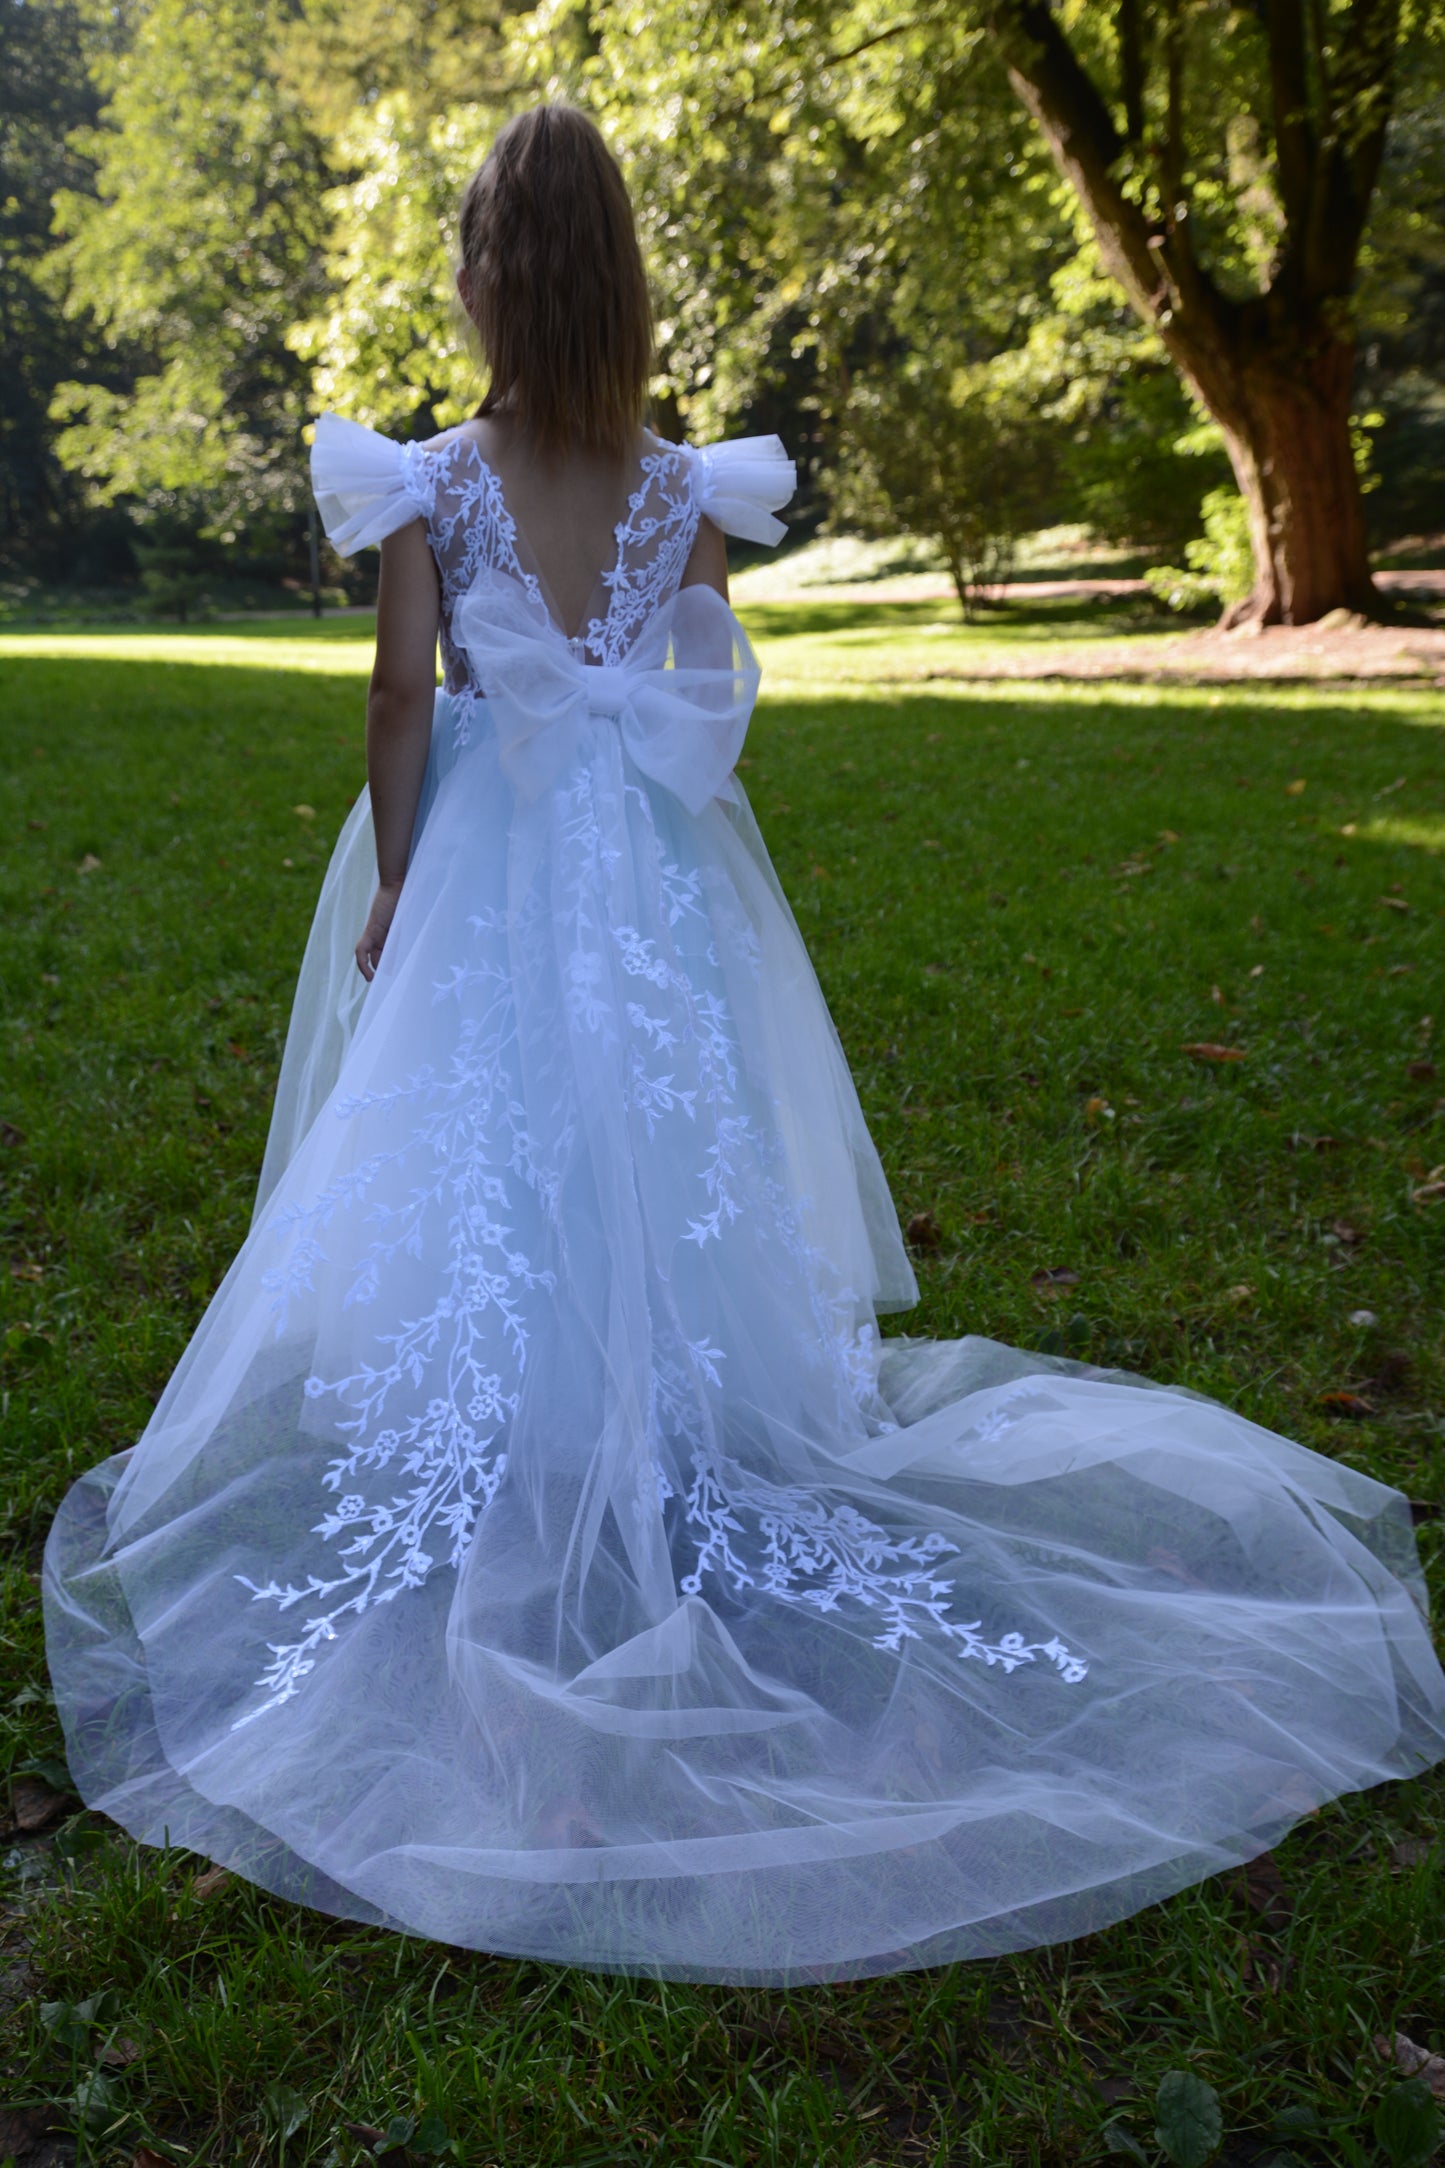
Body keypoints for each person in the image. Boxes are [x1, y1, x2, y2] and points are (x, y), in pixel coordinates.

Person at [43, 102, 1445, 1988]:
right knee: (654, 1120)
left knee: (486, 1131)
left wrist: (397, 880)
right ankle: (667, 1397)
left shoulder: (431, 481)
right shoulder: (688, 485)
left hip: (482, 852)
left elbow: (399, 697)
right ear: (621, 279)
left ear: (481, 276)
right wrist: (636, 768)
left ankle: (536, 1414)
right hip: (637, 866)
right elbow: (706, 694)